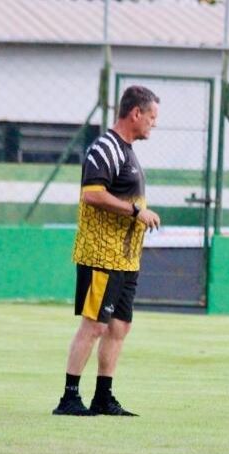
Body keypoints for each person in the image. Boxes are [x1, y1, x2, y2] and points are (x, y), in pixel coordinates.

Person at [52, 85, 161, 416]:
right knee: (95, 325)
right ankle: (69, 397)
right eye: (152, 116)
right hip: (101, 255)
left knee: (119, 327)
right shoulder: (104, 148)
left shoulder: (127, 150)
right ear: (136, 113)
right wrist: (135, 211)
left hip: (126, 259)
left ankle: (103, 396)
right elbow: (93, 194)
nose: (154, 123)